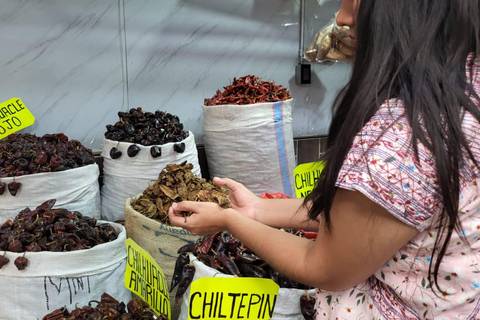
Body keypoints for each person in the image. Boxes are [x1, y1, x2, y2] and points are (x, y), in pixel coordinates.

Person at [169, 0, 480, 318]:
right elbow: (365, 219)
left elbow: (323, 266)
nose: (343, 18)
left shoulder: (403, 139)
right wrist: (258, 209)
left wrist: (228, 220)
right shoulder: (466, 89)